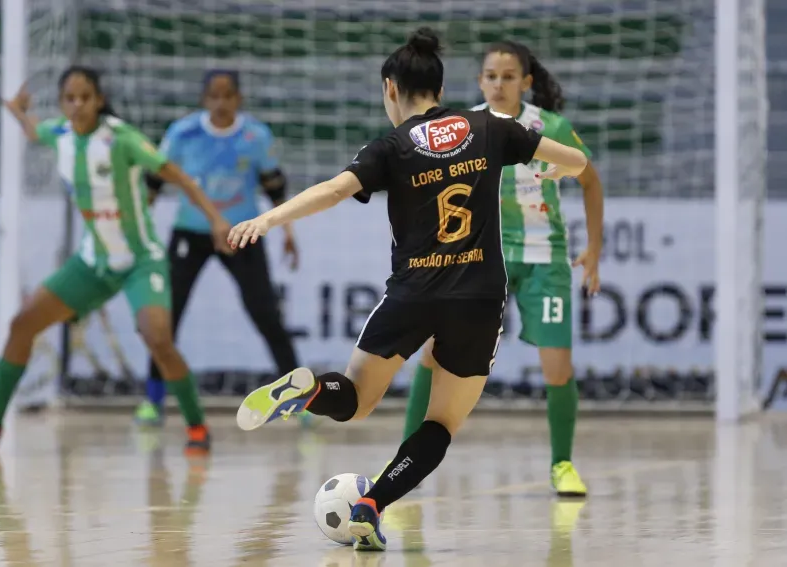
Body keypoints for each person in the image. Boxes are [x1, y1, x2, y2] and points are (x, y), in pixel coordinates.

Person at [227, 28, 588, 551]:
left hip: (412, 294)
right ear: (440, 89)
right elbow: (576, 162)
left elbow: (332, 191)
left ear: (391, 89)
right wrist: (553, 170)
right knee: (439, 424)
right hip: (477, 301)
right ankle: (371, 505)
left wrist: (267, 217)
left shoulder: (391, 147)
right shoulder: (490, 127)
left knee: (353, 401)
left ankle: (308, 393)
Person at [0, 65, 229, 455]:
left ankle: (197, 427)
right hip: (93, 263)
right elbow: (34, 131)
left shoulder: (121, 140)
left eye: (85, 97)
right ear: (62, 103)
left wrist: (216, 221)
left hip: (140, 262)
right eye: (70, 98)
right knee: (22, 323)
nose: (77, 105)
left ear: (99, 100)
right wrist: (19, 113)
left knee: (158, 339)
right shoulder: (58, 133)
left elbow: (181, 177)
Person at [399, 41, 604, 498]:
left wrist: (594, 248)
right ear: (479, 82)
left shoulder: (550, 127)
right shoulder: (459, 128)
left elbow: (589, 179)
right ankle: (404, 460)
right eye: (491, 76)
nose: (498, 84)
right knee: (433, 353)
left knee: (557, 367)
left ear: (526, 83)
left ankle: (563, 464)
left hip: (542, 260)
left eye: (508, 76)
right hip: (477, 256)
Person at [134, 70, 301, 427]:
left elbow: (274, 186)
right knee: (166, 318)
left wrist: (288, 232)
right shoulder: (182, 134)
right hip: (191, 234)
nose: (221, 102)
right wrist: (138, 230)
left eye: (228, 95)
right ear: (203, 99)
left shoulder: (256, 136)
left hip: (241, 233)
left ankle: (298, 399)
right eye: (214, 95)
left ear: (238, 98)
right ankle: (153, 400)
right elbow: (153, 182)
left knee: (266, 314)